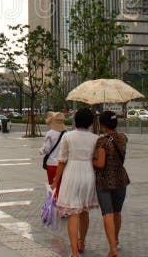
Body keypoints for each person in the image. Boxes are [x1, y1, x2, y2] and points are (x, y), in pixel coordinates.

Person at [51, 108, 98, 257]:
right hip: (88, 174)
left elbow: (62, 160)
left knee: (73, 213)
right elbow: (96, 160)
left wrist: (55, 180)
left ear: (76, 120)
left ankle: (74, 253)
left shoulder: (68, 136)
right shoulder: (96, 138)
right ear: (91, 122)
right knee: (84, 211)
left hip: (71, 173)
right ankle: (81, 242)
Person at [92, 111, 130, 257]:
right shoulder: (123, 138)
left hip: (105, 182)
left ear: (102, 124)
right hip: (121, 179)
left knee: (107, 214)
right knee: (117, 212)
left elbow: (100, 164)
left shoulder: (102, 141)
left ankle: (113, 249)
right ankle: (116, 240)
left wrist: (91, 160)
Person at [39, 112, 67, 194]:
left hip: (52, 164)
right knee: (62, 187)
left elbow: (46, 149)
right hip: (63, 164)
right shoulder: (66, 133)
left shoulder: (50, 133)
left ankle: (54, 203)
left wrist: (41, 150)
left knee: (53, 186)